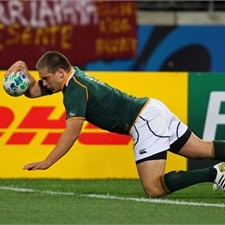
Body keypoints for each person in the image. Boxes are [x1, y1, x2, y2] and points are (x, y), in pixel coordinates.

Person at [4, 51, 225, 198]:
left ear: (60, 73)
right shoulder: (72, 78)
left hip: (144, 121)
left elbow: (72, 133)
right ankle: (216, 172)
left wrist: (48, 161)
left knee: (154, 187)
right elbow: (33, 92)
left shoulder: (75, 90)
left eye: (45, 78)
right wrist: (22, 66)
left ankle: (214, 173)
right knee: (203, 149)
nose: (43, 83)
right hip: (152, 109)